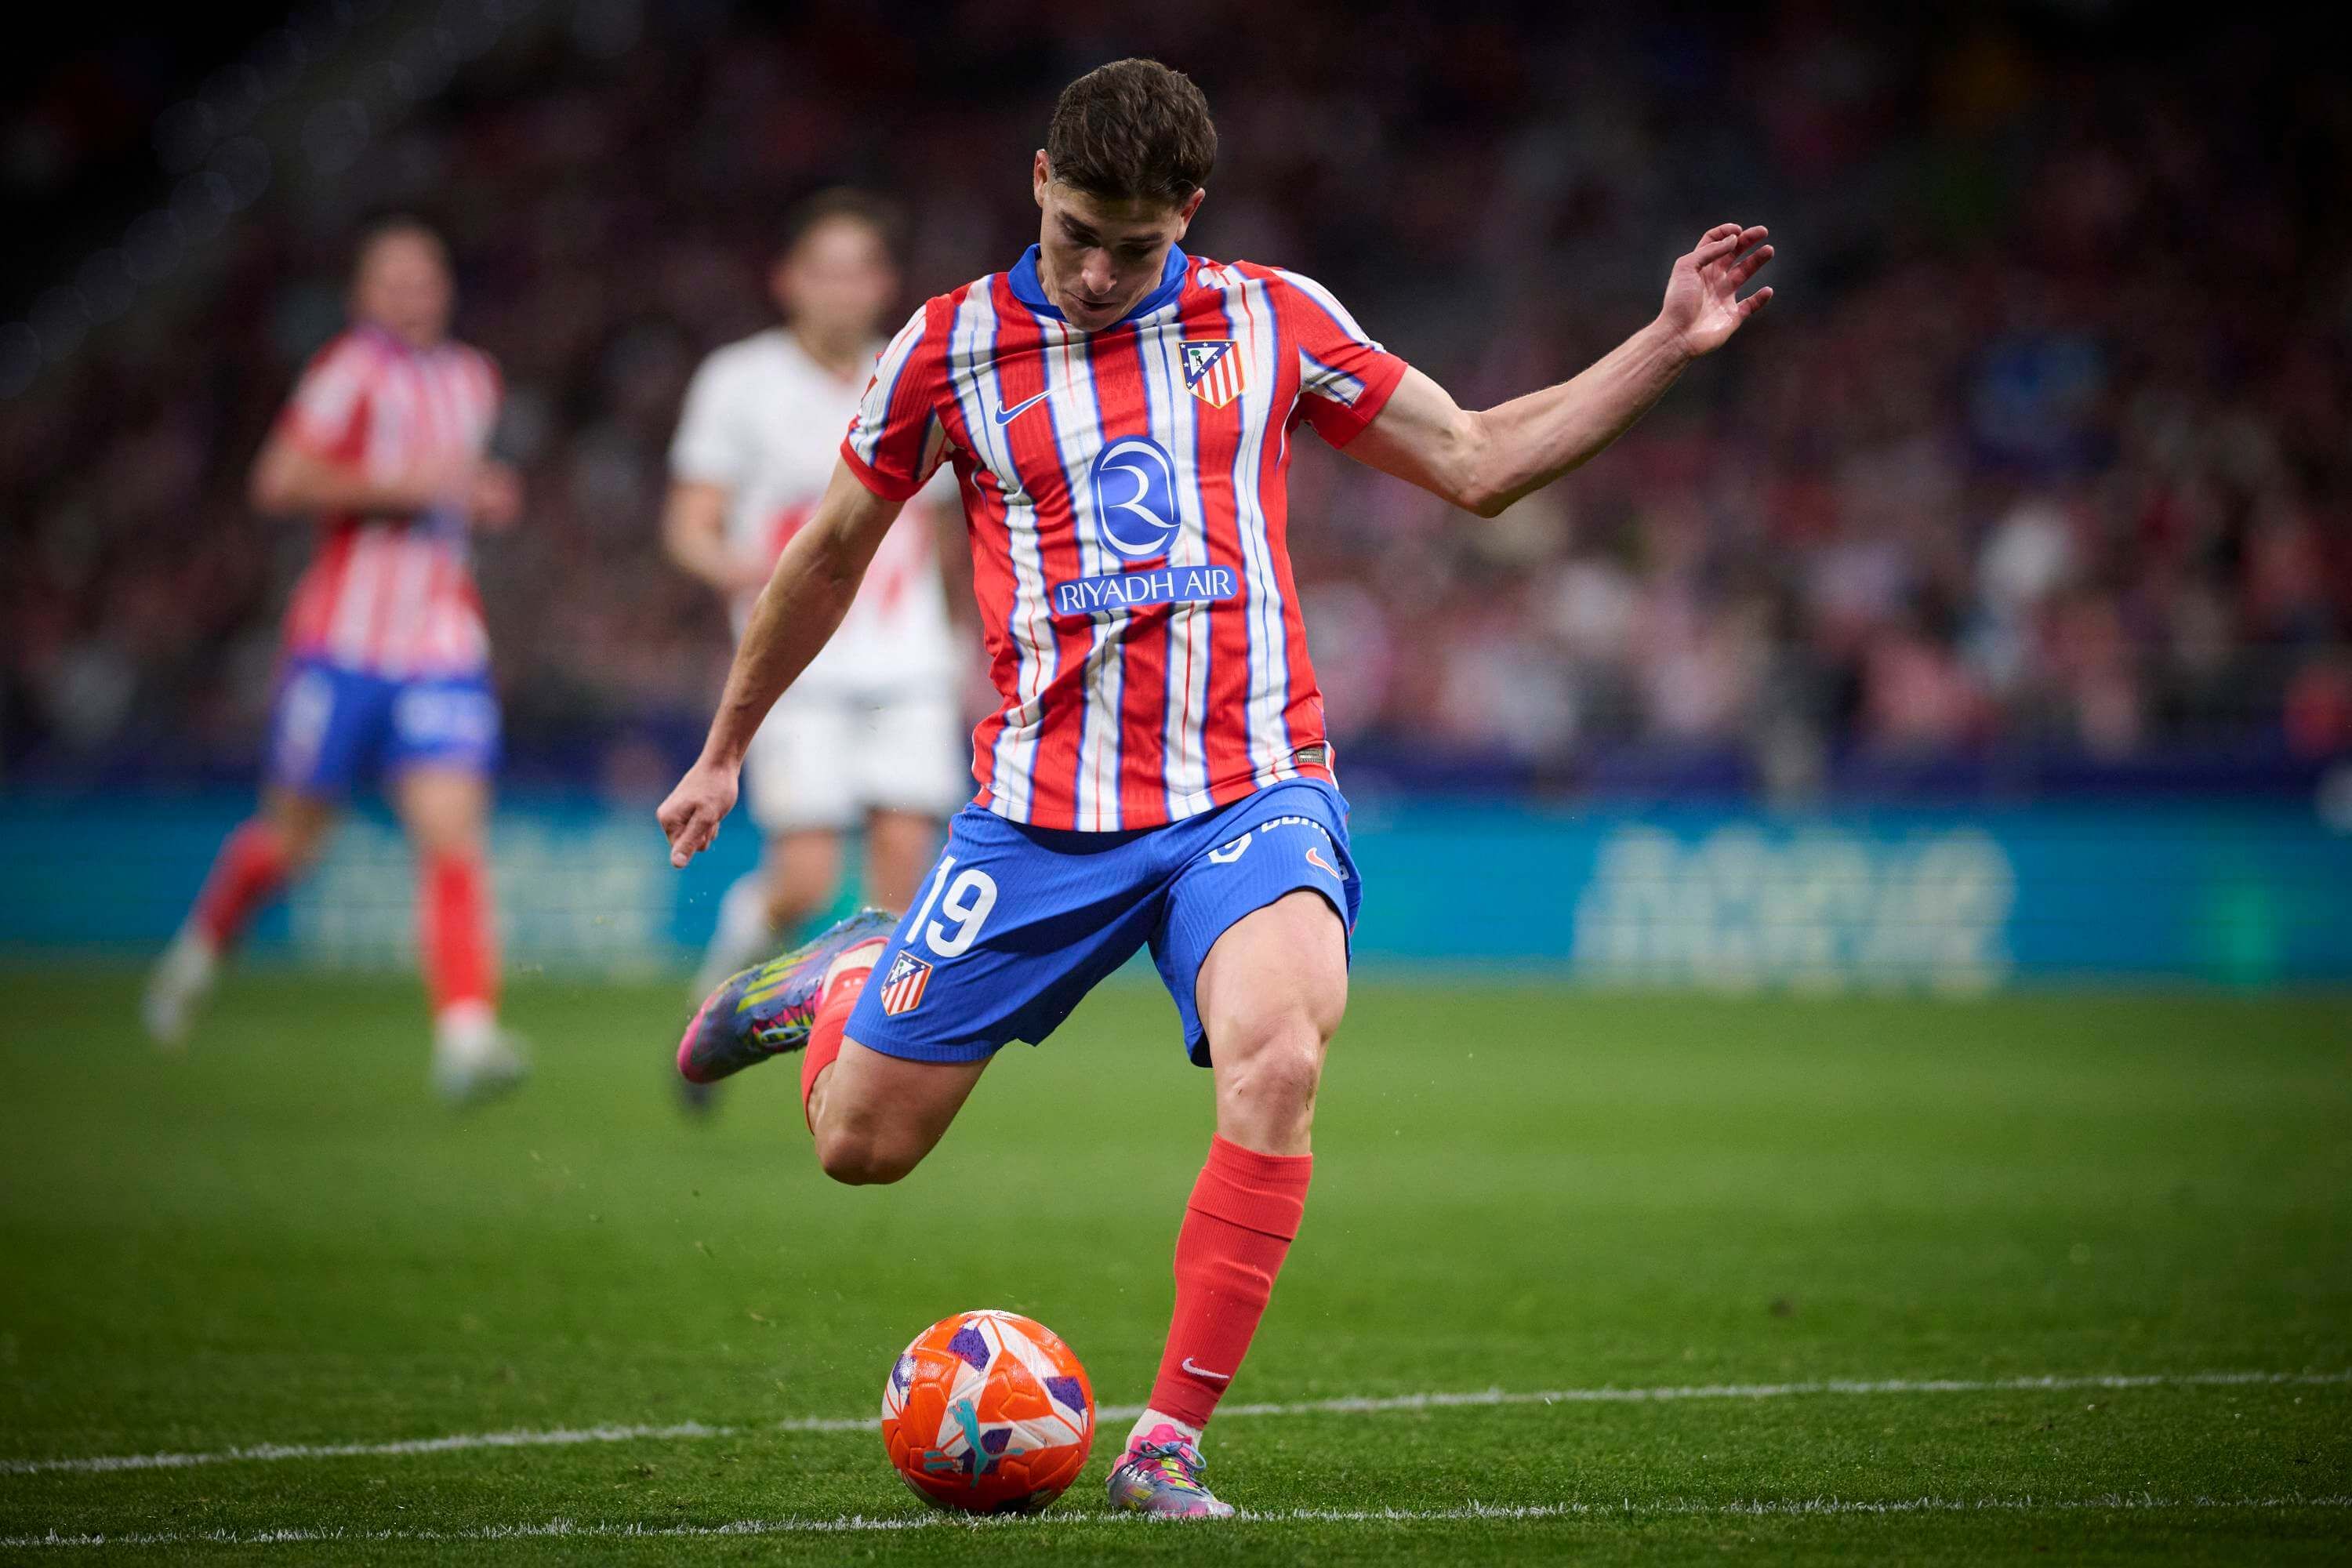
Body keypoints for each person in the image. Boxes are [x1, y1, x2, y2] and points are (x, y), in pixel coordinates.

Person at [657, 59, 1771, 1515]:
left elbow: (1482, 460)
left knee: (1282, 1056)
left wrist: (1669, 343)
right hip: (1038, 816)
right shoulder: (945, 350)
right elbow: (829, 553)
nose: (1107, 272)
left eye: (1139, 243)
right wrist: (728, 743)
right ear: (1038, 186)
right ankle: (850, 974)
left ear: (1188, 210)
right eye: (1080, 238)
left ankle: (1165, 1442)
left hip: (1248, 790)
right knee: (861, 1147)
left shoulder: (1269, 316)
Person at [143, 216, 528, 1102]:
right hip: (342, 648)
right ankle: (200, 951)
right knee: (293, 841)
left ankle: (465, 1034)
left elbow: (456, 487)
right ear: (363, 296)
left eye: (423, 280)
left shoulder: (474, 378)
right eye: (391, 282)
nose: (410, 296)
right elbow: (277, 479)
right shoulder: (346, 371)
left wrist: (481, 494)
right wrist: (408, 487)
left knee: (452, 832)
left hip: (439, 646)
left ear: (445, 291)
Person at [662, 191, 964, 1009]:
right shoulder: (740, 381)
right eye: (823, 271)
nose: (841, 289)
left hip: (907, 660)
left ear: (882, 282)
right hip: (799, 665)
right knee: (806, 878)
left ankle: (864, 1051)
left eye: (858, 271)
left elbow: (938, 531)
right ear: (787, 280)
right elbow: (690, 519)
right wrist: (726, 563)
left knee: (903, 874)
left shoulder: (913, 368)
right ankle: (720, 996)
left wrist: (965, 634)